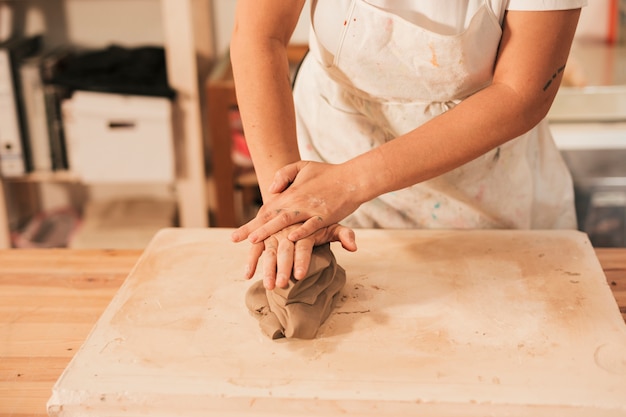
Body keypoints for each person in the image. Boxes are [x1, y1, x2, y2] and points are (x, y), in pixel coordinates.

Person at [229, 0, 585, 290]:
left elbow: (521, 94)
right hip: (328, 155)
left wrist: (348, 182)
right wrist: (287, 204)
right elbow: (259, 36)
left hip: (481, 193)